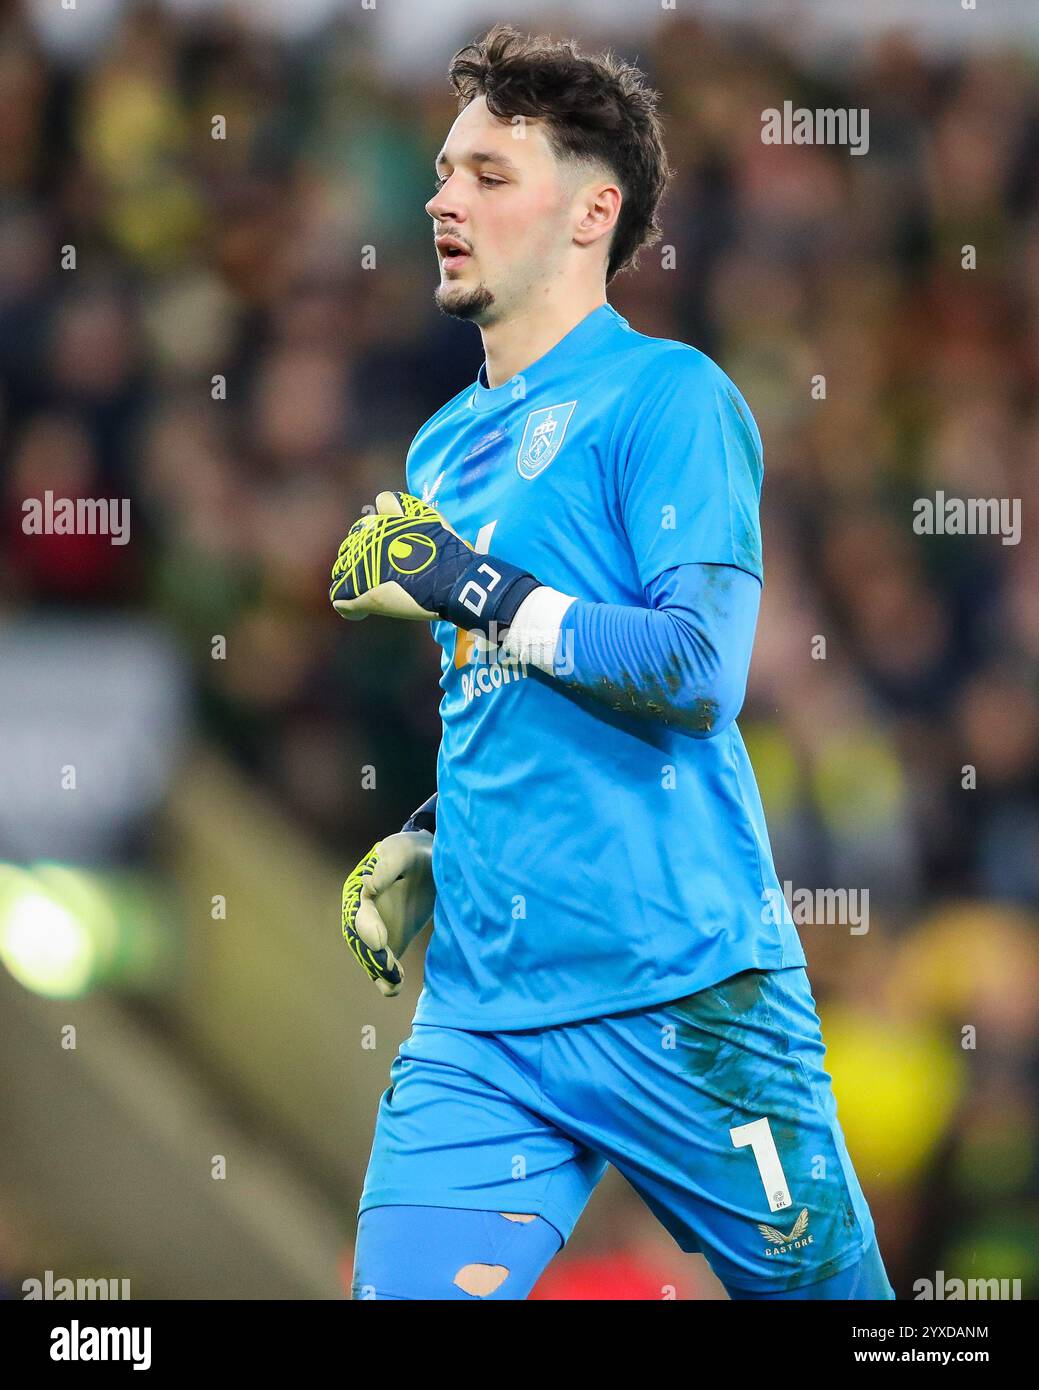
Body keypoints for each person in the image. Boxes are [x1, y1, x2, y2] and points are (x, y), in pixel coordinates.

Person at [331, 23, 894, 1302]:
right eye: (441, 171)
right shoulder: (439, 449)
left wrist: (469, 585)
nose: (441, 199)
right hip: (482, 1020)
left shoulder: (671, 399)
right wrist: (436, 834)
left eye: (487, 173)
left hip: (683, 993)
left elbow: (697, 668)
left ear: (594, 210)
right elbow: (498, 687)